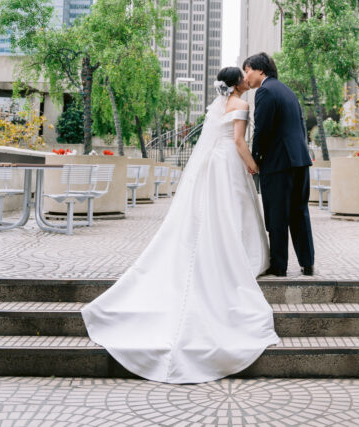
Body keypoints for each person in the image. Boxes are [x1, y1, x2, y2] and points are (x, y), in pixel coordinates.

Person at [81, 66, 278, 384]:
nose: (246, 78)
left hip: (212, 162)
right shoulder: (241, 105)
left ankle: (216, 249)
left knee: (216, 211)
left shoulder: (217, 107)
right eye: (241, 77)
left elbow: (210, 140)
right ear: (236, 85)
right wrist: (253, 165)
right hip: (229, 162)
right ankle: (239, 257)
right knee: (234, 210)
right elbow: (239, 142)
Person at [242, 52, 315, 277]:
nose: (246, 77)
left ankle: (279, 266)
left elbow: (262, 129)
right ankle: (307, 263)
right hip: (300, 160)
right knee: (299, 212)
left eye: (248, 71)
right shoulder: (288, 91)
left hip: (278, 163)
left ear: (260, 70)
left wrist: (255, 159)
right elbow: (300, 127)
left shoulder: (264, 91)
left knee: (277, 214)